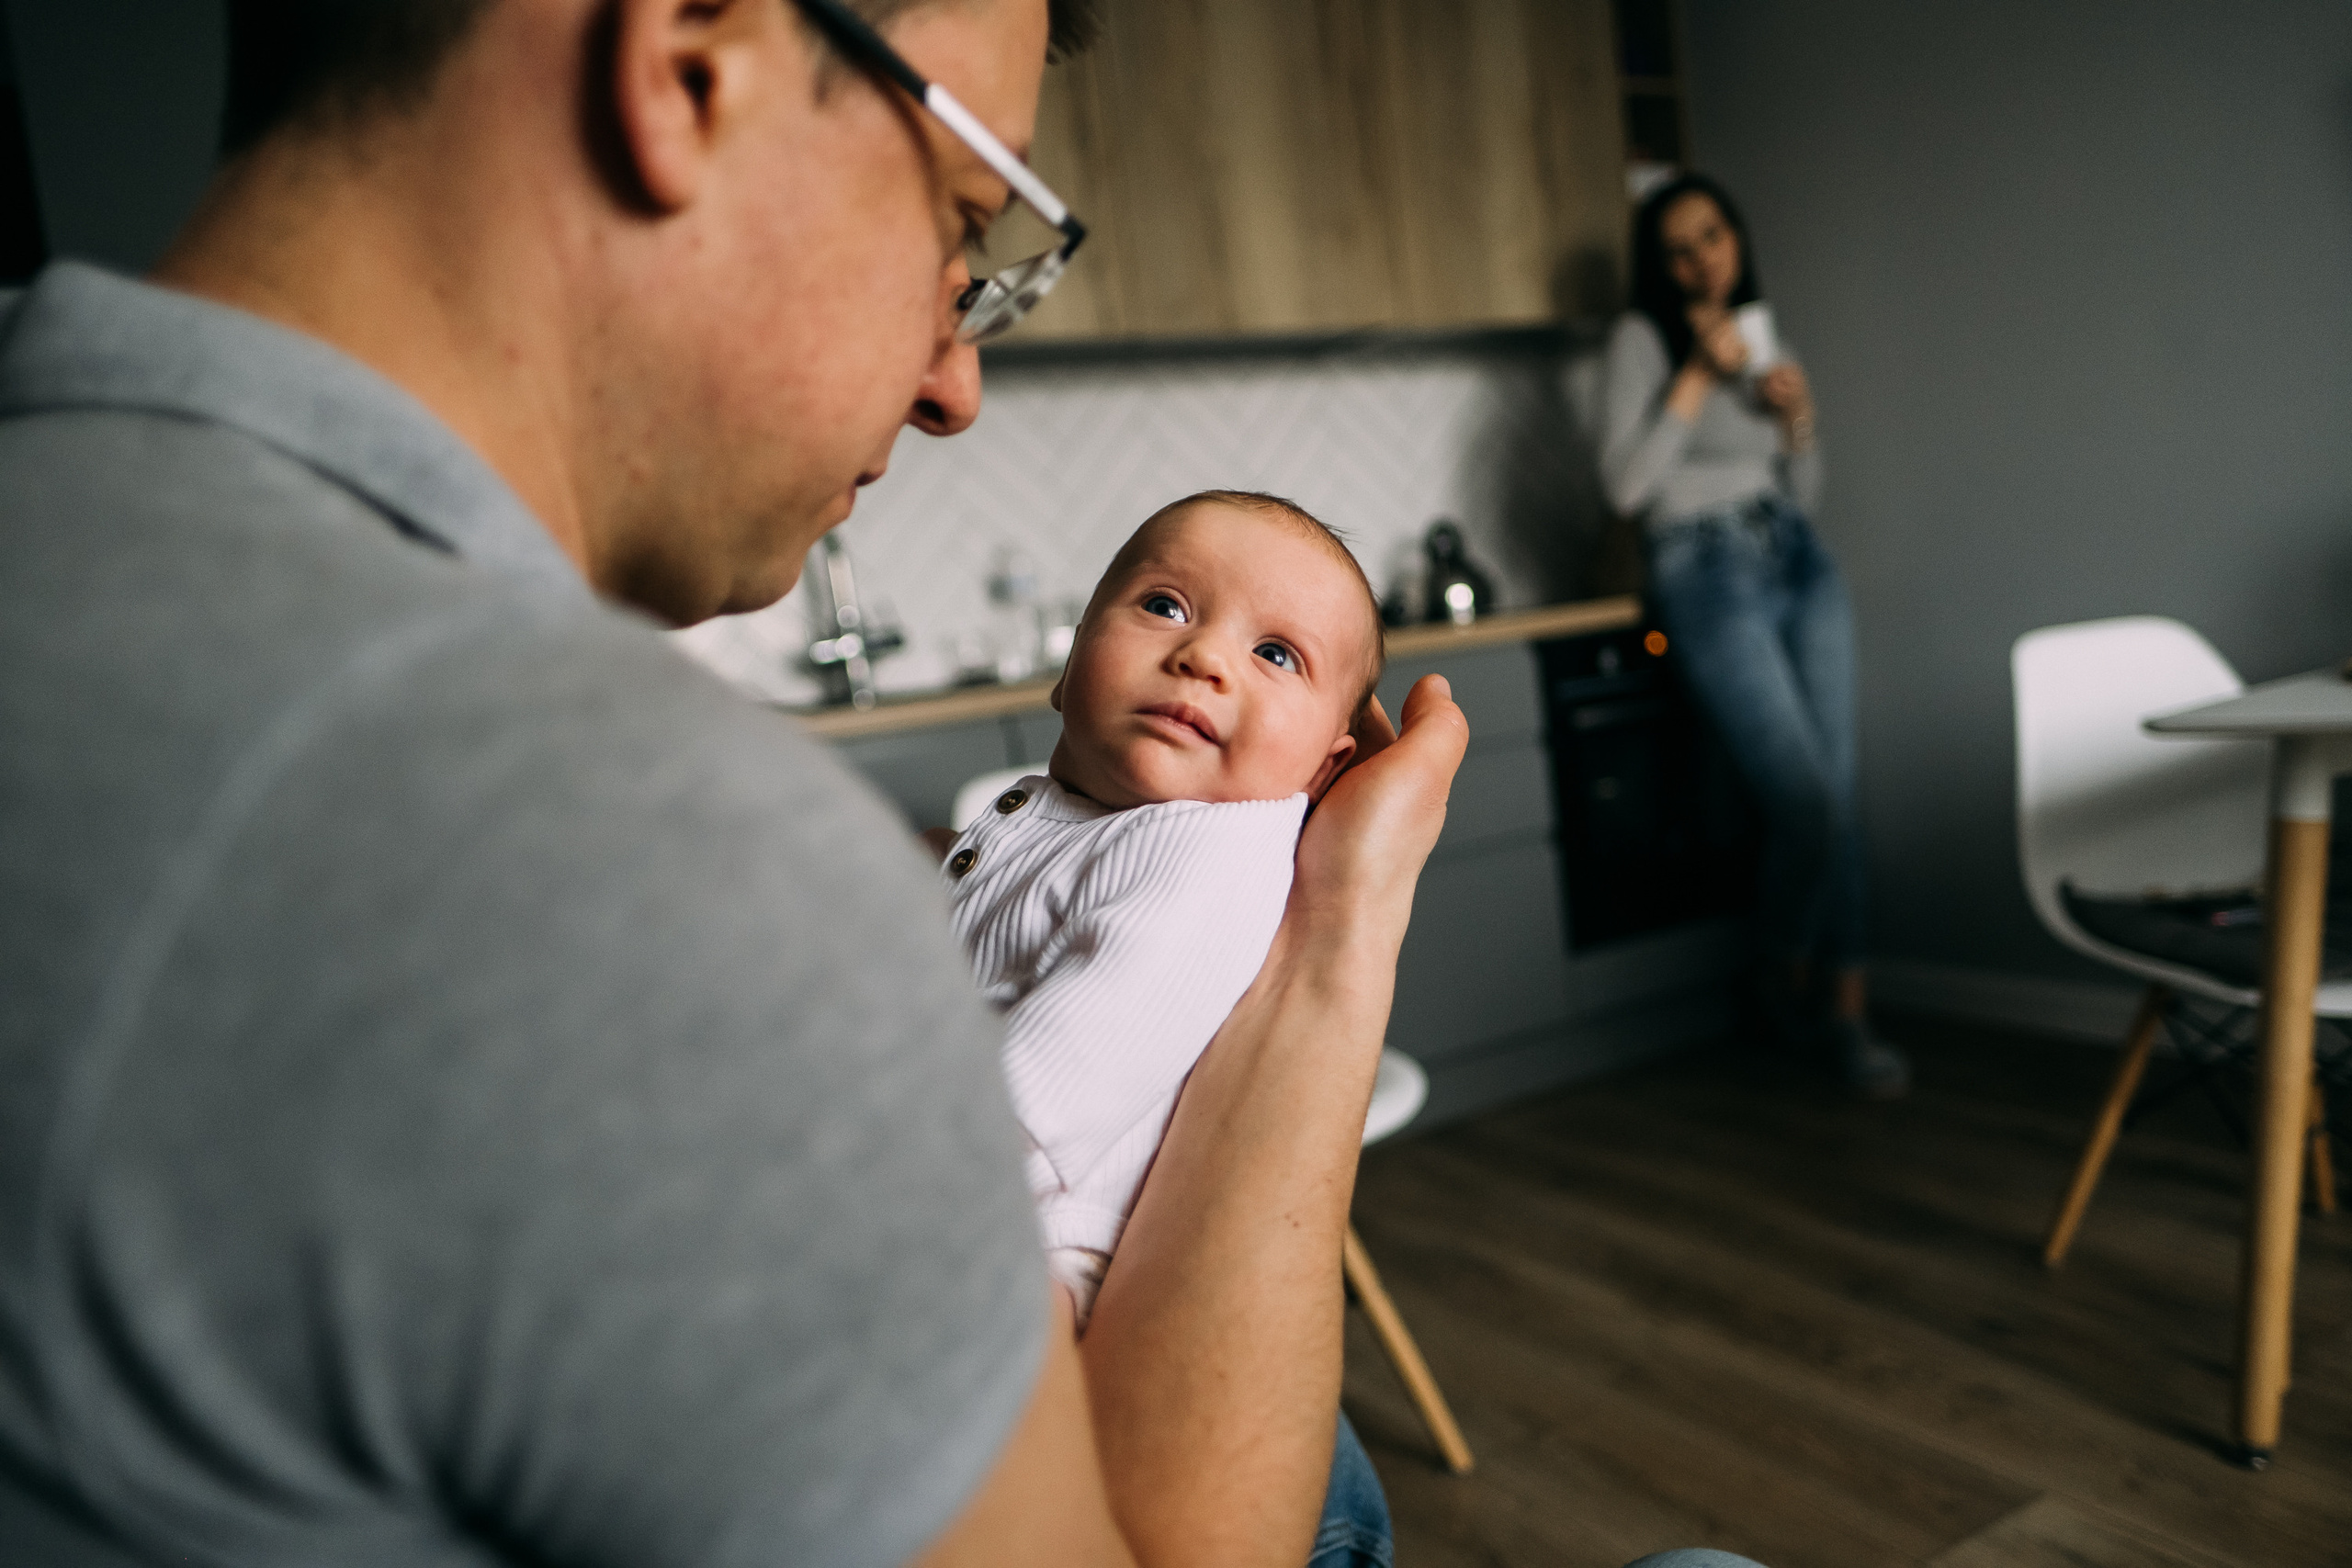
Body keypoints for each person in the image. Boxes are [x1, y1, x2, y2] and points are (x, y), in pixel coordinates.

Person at [0, 1, 1761, 1562]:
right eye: (960, 225)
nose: (956, 381)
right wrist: (1335, 936)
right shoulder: (618, 854)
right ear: (688, 62)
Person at [945, 491, 1385, 1331]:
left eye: (1277, 654)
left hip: (1016, 1245)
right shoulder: (1061, 811)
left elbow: (1055, 1087)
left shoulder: (1210, 851)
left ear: (1325, 769)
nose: (1204, 655)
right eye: (1164, 605)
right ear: (1070, 662)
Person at [1600, 172, 1909, 1100]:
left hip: (1797, 559)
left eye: (1713, 236)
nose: (1700, 258)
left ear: (1737, 241)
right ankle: (1778, 985)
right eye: (1678, 247)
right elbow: (1625, 490)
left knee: (1838, 800)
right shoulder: (1640, 341)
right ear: (1659, 268)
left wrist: (1797, 419)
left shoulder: (1764, 334)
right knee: (1806, 805)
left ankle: (1843, 1015)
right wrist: (1694, 376)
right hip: (1703, 574)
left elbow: (1801, 493)